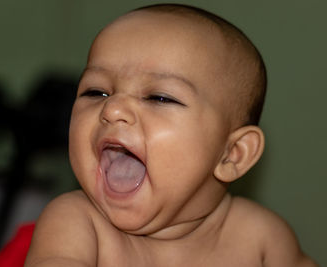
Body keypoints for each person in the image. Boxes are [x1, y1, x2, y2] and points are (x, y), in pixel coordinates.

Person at [24, 4, 318, 266]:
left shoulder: (261, 237)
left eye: (159, 98)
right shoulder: (76, 222)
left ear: (232, 154)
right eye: (96, 92)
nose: (112, 108)